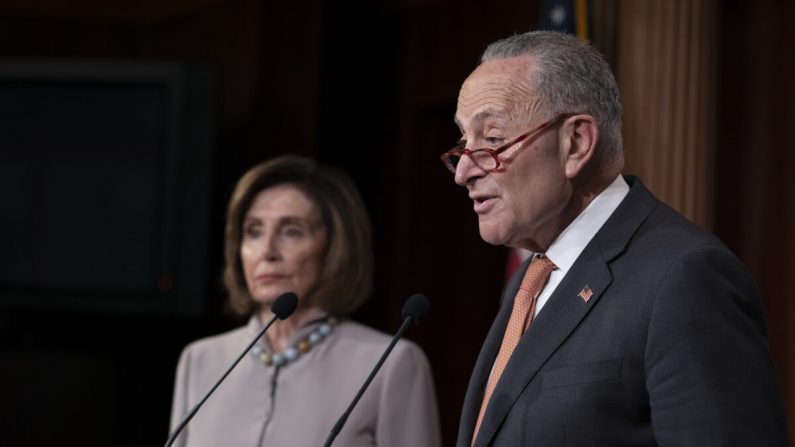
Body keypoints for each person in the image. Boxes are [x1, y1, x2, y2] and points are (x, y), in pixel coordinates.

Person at [443, 31, 789, 446]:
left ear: (576, 143)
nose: (464, 172)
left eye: (493, 139)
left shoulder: (683, 277)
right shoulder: (528, 283)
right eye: (465, 143)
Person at [170, 155, 442, 447]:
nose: (267, 251)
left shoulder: (392, 364)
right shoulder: (200, 361)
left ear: (334, 247)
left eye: (291, 231)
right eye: (254, 232)